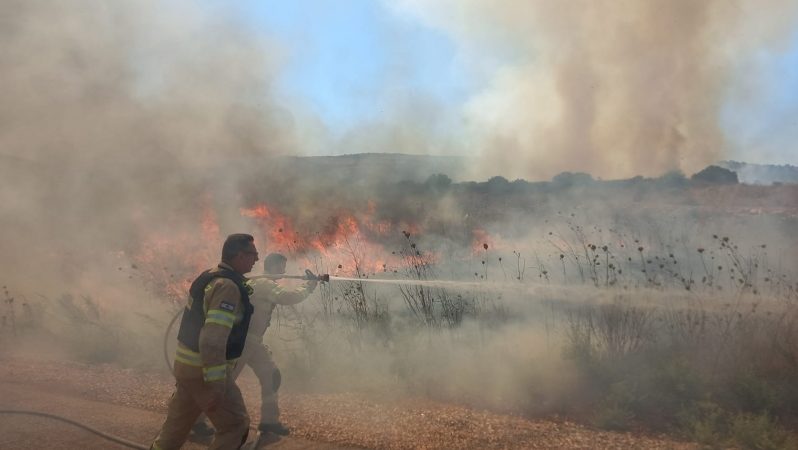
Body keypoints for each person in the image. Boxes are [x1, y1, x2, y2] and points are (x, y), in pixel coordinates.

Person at [191, 252, 317, 439]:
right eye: (281, 267)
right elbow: (288, 297)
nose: (283, 271)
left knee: (271, 375)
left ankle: (269, 421)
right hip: (242, 341)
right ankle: (195, 421)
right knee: (223, 382)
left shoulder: (260, 283)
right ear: (273, 266)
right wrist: (309, 285)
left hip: (253, 342)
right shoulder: (264, 284)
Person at [151, 233, 259, 450]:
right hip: (204, 371)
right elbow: (211, 340)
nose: (256, 259)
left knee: (175, 429)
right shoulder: (228, 287)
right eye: (252, 254)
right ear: (238, 255)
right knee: (235, 426)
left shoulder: (208, 276)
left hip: (186, 368)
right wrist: (218, 385)